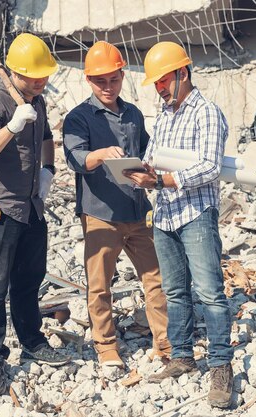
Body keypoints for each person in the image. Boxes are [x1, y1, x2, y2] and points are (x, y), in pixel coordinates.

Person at [124, 41, 234, 408]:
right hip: (166, 214)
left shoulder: (207, 112)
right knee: (174, 291)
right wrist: (144, 170)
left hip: (196, 215)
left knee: (210, 294)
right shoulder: (166, 114)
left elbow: (209, 167)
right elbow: (154, 156)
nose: (159, 88)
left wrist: (162, 181)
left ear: (182, 73)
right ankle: (183, 357)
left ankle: (220, 366)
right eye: (155, 84)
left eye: (163, 80)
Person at [0, 33, 70, 396]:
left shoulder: (37, 99)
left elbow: (45, 136)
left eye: (45, 76)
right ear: (13, 71)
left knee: (30, 279)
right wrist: (11, 126)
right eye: (34, 76)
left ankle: (32, 339)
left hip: (31, 206)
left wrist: (48, 170)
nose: (42, 82)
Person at [63, 41, 171, 368]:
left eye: (113, 79)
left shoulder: (134, 114)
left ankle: (166, 346)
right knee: (99, 286)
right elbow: (75, 157)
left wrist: (154, 169)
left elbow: (148, 152)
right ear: (88, 80)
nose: (108, 87)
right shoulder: (78, 118)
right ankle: (106, 347)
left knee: (158, 279)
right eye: (101, 81)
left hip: (139, 212)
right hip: (101, 216)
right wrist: (100, 154)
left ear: (123, 75)